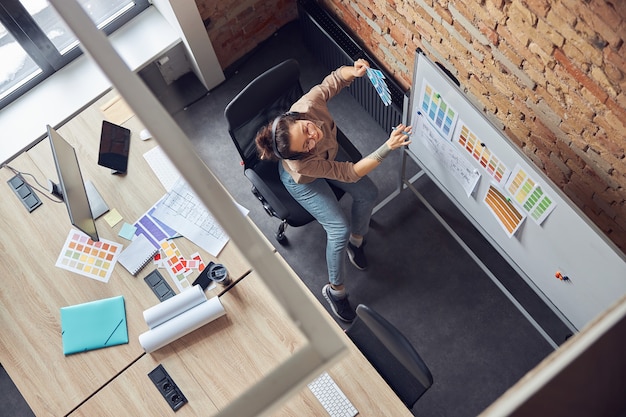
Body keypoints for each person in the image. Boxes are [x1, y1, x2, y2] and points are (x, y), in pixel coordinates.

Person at [255, 59, 411, 323]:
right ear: (300, 153)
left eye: (306, 129)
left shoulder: (306, 106)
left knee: (368, 193)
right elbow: (348, 173)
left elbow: (332, 82)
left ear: (299, 117)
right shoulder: (304, 163)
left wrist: (354, 71)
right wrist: (387, 148)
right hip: (305, 180)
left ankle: (357, 243)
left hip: (331, 156)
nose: (312, 136)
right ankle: (335, 291)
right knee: (338, 227)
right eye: (306, 144)